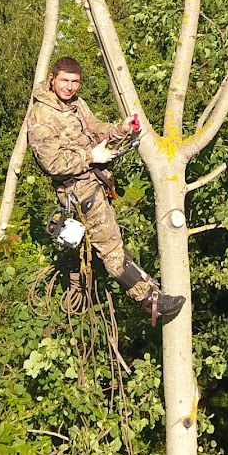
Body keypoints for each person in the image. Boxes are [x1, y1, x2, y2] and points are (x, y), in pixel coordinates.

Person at [27, 56, 185, 325]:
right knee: (110, 249)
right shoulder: (42, 115)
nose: (69, 87)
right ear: (52, 79)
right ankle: (150, 301)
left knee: (113, 242)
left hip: (94, 183)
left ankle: (151, 289)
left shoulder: (76, 105)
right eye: (64, 81)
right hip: (78, 192)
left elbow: (95, 128)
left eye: (75, 82)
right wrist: (90, 157)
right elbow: (50, 163)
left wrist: (119, 129)